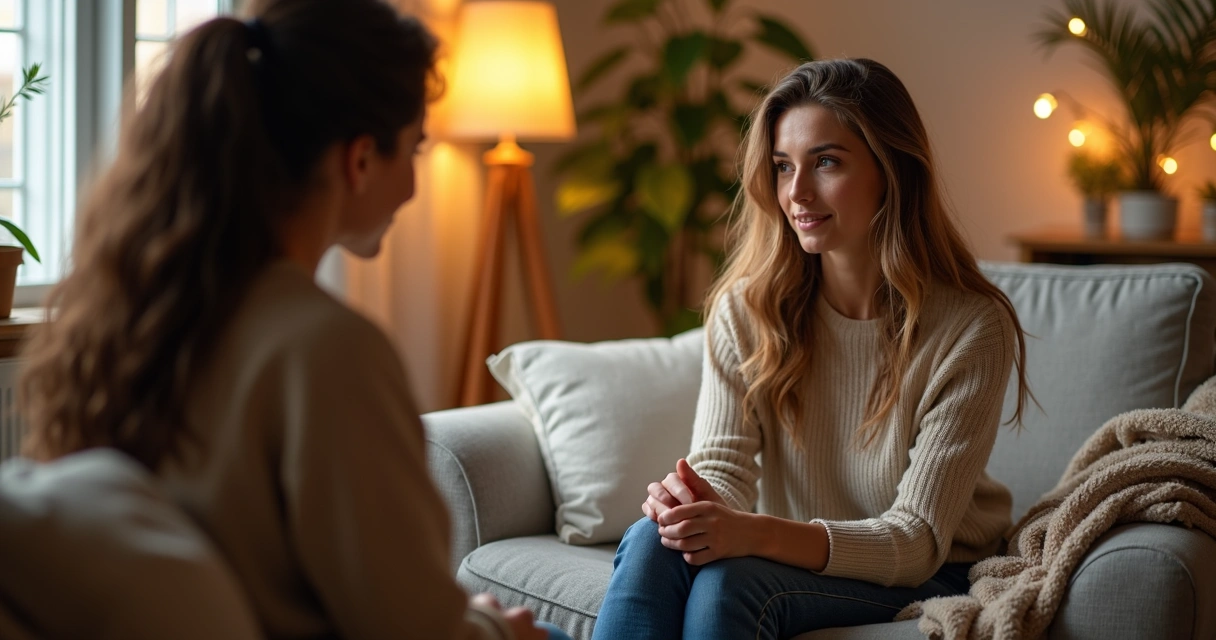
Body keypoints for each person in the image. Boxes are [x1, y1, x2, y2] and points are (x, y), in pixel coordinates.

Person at [18, 1, 569, 639]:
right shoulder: (329, 349)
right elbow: (409, 627)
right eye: (413, 150)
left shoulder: (129, 314)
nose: (415, 185)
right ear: (360, 159)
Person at [592, 58, 1033, 640]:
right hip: (791, 550)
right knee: (653, 537)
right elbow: (721, 466)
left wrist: (754, 534)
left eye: (826, 162)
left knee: (730, 585)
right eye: (782, 167)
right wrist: (691, 503)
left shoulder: (972, 327)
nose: (796, 192)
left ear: (891, 170)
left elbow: (915, 539)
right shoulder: (747, 308)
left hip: (929, 570)